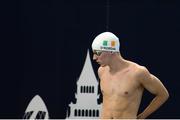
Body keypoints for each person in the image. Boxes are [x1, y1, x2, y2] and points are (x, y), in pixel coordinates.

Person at [91, 32, 169, 119]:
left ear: (111, 50)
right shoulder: (101, 71)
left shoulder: (138, 72)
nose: (94, 57)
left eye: (98, 52)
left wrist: (143, 116)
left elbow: (163, 94)